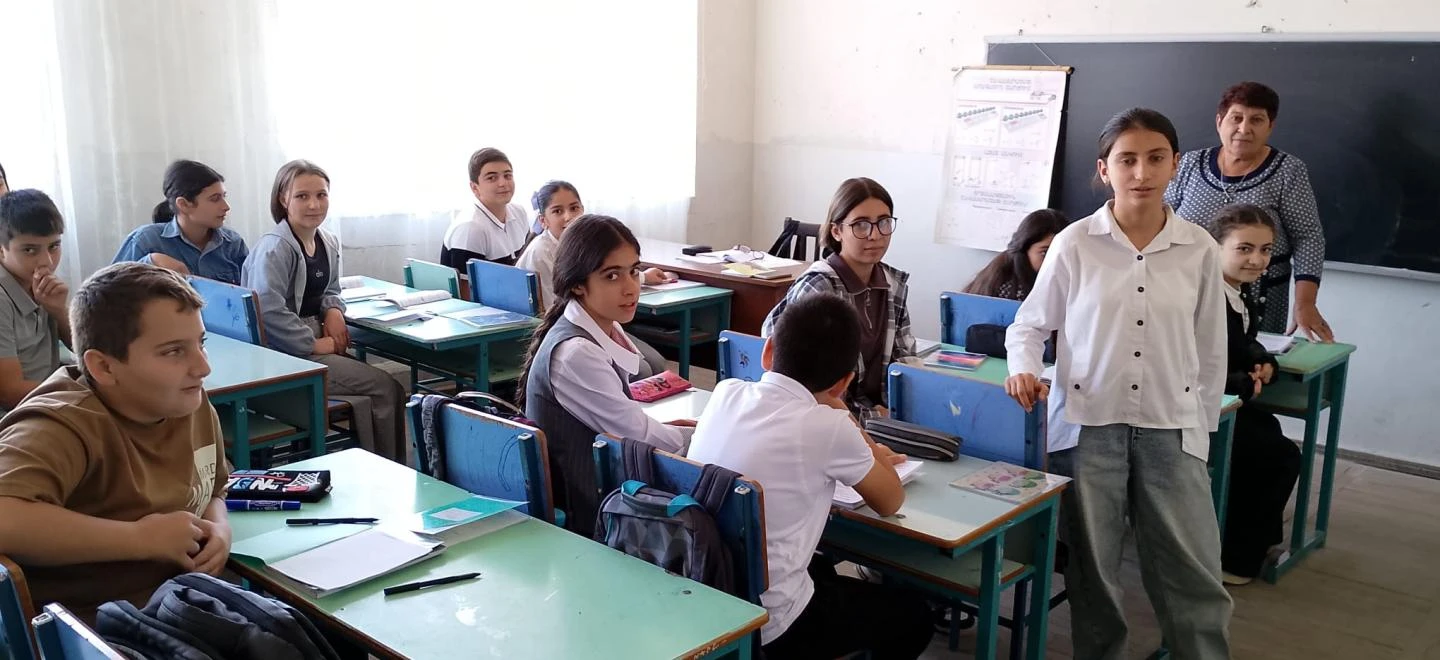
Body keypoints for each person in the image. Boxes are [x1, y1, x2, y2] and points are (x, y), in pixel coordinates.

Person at [1004, 107, 1232, 659]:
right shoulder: (1075, 243)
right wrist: (1023, 368)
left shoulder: (1199, 247)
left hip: (1170, 427)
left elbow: (1210, 353)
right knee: (1095, 572)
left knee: (1192, 569)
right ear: (1105, 169)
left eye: (1155, 158)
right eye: (1127, 160)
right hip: (1089, 428)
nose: (1141, 173)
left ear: (1175, 164)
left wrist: (1199, 436)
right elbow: (1029, 326)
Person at [688, 293, 931, 659]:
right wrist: (844, 416)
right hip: (772, 624)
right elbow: (891, 501)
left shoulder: (726, 392)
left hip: (712, 584)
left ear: (768, 350)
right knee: (914, 617)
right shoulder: (829, 427)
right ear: (843, 382)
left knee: (822, 569)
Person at [0, 262, 229, 621]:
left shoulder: (187, 403)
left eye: (201, 344)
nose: (203, 367)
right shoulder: (63, 423)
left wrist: (219, 529)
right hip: (97, 627)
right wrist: (140, 538)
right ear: (104, 367)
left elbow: (214, 488)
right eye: (173, 351)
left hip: (182, 603)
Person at [518, 214, 692, 538]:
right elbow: (639, 436)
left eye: (634, 271)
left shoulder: (602, 326)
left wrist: (680, 432)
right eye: (612, 276)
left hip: (606, 489)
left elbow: (629, 425)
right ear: (577, 284)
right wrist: (702, 437)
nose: (630, 288)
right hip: (590, 513)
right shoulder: (576, 352)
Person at [241, 160, 406, 464]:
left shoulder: (327, 241)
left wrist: (333, 311)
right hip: (286, 354)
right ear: (283, 199)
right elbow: (266, 309)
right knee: (385, 388)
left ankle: (373, 461)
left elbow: (331, 288)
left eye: (321, 195)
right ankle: (388, 467)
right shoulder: (275, 248)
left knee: (377, 390)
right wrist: (313, 344)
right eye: (302, 196)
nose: (314, 204)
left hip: (316, 343)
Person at [1166, 81, 1333, 342]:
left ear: (1270, 126)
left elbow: (1308, 237)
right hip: (1189, 290)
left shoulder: (1288, 171)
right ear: (1220, 121)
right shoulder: (1189, 164)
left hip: (1258, 295)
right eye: (1236, 118)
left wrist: (1305, 303)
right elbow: (1161, 219)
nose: (1244, 129)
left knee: (1251, 362)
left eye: (1256, 120)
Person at [762, 177, 917, 419]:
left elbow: (905, 359)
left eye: (884, 222)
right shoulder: (818, 287)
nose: (875, 235)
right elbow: (804, 383)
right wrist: (873, 417)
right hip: (827, 417)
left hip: (883, 414)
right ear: (836, 231)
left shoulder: (893, 284)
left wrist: (903, 410)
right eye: (861, 225)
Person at [1207, 203, 1303, 586]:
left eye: (1265, 250)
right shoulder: (1204, 297)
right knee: (1279, 456)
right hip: (1199, 408)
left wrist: (1263, 361)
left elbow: (1243, 342)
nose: (1257, 259)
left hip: (1227, 404)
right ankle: (1235, 558)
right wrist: (1242, 383)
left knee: (1271, 433)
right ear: (1215, 248)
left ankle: (1253, 539)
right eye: (1244, 248)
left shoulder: (1238, 292)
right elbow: (1192, 365)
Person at [517, 180, 668, 378]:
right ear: (543, 220)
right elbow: (552, 307)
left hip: (595, 321)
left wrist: (644, 277)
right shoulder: (541, 252)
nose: (568, 216)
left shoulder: (583, 246)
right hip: (565, 326)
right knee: (642, 370)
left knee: (656, 363)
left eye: (574, 208)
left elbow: (605, 272)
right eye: (558, 211)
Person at [113, 159, 248, 284]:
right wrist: (150, 262)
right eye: (214, 199)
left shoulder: (233, 244)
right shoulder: (145, 241)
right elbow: (108, 293)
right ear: (183, 204)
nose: (226, 206)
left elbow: (249, 292)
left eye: (224, 196)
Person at [0, 190, 70, 412]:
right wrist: (77, 391)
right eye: (30, 250)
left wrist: (58, 311)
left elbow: (83, 346)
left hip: (45, 397)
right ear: (1, 251)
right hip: (16, 416)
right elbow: (10, 392)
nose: (46, 261)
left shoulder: (37, 280)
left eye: (54, 246)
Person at [440, 148, 531, 270]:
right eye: (492, 178)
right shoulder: (469, 228)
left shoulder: (519, 212)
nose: (503, 183)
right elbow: (467, 282)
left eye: (507, 176)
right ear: (474, 188)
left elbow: (527, 264)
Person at [963, 209, 1068, 301]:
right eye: (1045, 253)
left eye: (1062, 254)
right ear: (1024, 250)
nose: (1054, 261)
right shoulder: (1011, 290)